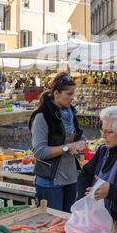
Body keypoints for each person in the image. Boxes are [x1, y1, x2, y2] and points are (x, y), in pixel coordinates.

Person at [29, 72, 86, 212]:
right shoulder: (42, 117)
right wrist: (67, 147)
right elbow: (39, 151)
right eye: (69, 94)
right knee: (53, 227)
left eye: (73, 94)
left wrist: (81, 144)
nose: (72, 98)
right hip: (50, 181)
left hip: (71, 178)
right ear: (56, 93)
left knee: (69, 224)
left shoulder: (71, 114)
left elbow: (80, 137)